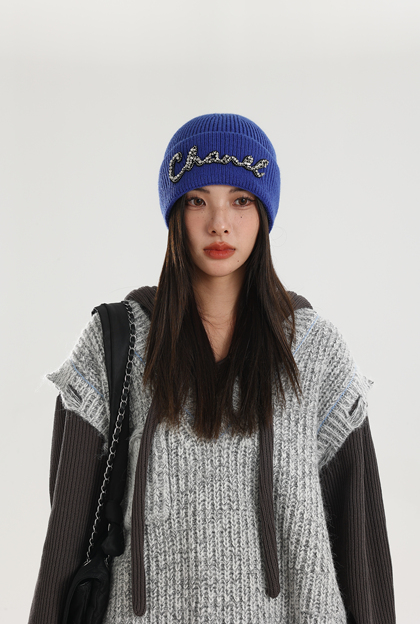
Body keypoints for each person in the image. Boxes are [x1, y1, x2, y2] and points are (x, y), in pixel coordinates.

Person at [29, 113, 396, 624]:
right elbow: (67, 538)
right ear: (174, 212)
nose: (219, 223)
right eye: (197, 200)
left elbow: (361, 548)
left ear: (263, 211)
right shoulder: (116, 344)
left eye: (240, 200)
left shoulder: (316, 352)